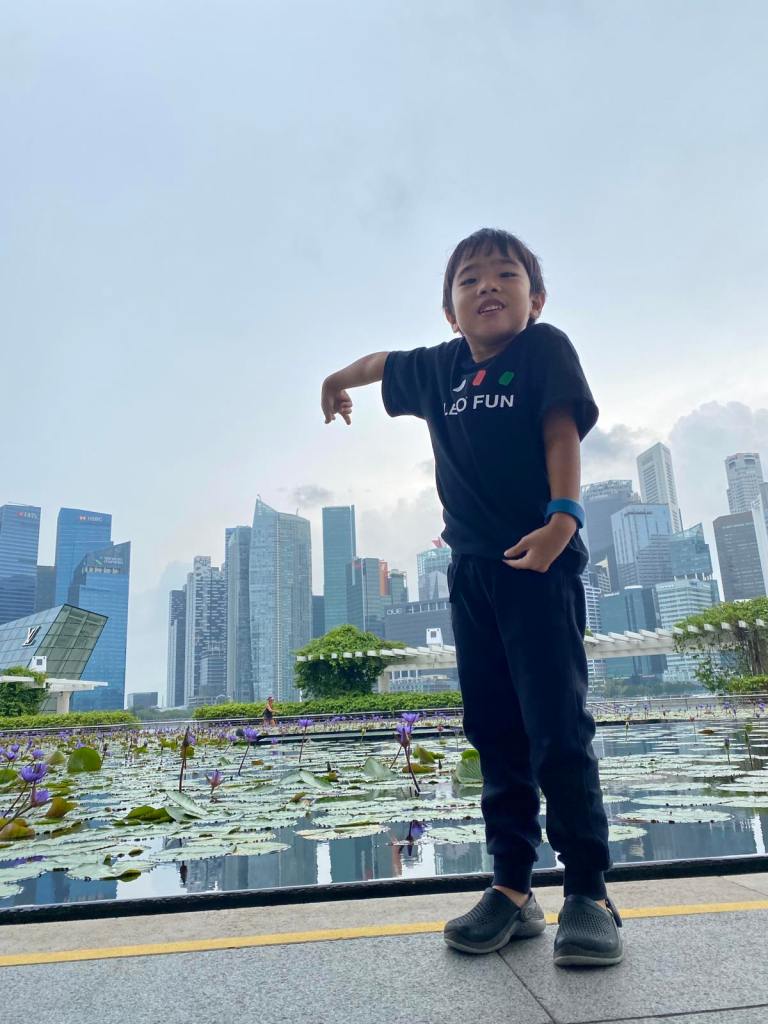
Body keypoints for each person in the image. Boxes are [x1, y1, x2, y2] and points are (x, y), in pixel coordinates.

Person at [320, 227, 623, 968]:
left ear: (535, 297)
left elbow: (561, 433)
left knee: (558, 728)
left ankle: (589, 892)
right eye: (469, 280)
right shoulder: (438, 368)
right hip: (472, 574)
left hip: (537, 563)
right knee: (493, 730)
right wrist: (336, 380)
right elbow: (378, 361)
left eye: (505, 275)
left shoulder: (543, 350)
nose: (487, 286)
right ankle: (512, 890)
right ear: (451, 311)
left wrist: (563, 519)